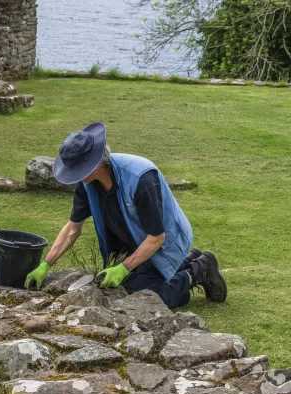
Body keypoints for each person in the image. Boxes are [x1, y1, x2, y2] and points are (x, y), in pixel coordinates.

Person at [24, 122, 227, 308]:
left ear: (94, 165)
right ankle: (190, 260)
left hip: (164, 243)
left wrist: (123, 268)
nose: (73, 176)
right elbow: (71, 230)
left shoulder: (141, 178)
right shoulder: (87, 184)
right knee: (119, 287)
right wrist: (45, 265)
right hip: (132, 243)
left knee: (144, 296)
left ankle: (200, 268)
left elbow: (157, 237)